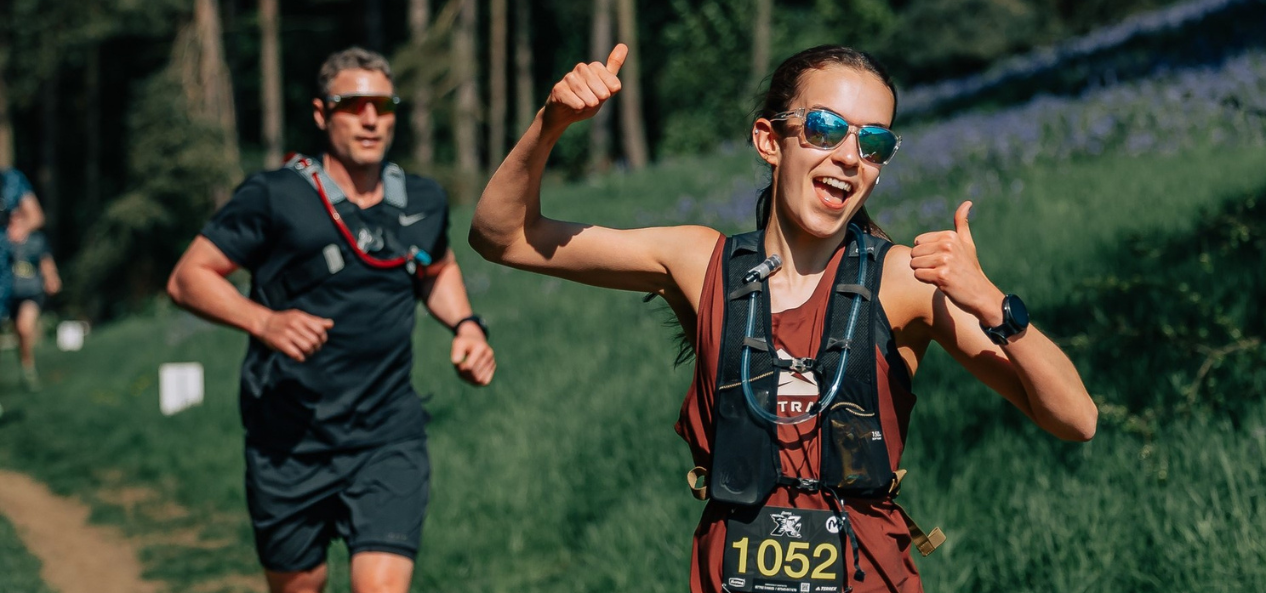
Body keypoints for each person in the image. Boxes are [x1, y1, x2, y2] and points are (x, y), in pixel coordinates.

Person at [470, 44, 1097, 593]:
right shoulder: (698, 263)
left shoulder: (901, 279)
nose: (851, 157)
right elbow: (502, 237)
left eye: (873, 142)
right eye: (826, 128)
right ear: (771, 141)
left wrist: (993, 304)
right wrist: (552, 124)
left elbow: (1076, 419)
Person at [167, 47, 495, 593]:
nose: (370, 119)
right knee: (301, 584)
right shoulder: (273, 195)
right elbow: (188, 277)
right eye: (353, 104)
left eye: (383, 106)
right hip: (290, 438)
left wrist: (466, 325)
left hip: (387, 434)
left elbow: (436, 269)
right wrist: (265, 322)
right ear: (322, 114)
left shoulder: (422, 198)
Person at [6, 206, 61, 391]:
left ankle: (28, 369)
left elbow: (46, 261)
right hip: (11, 295)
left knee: (24, 327)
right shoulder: (4, 241)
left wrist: (52, 277)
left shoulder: (36, 241)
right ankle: (26, 365)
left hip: (32, 292)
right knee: (19, 333)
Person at [0, 166, 45, 325]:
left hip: (12, 269)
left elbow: (36, 216)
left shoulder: (12, 181)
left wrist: (20, 228)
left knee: (23, 326)